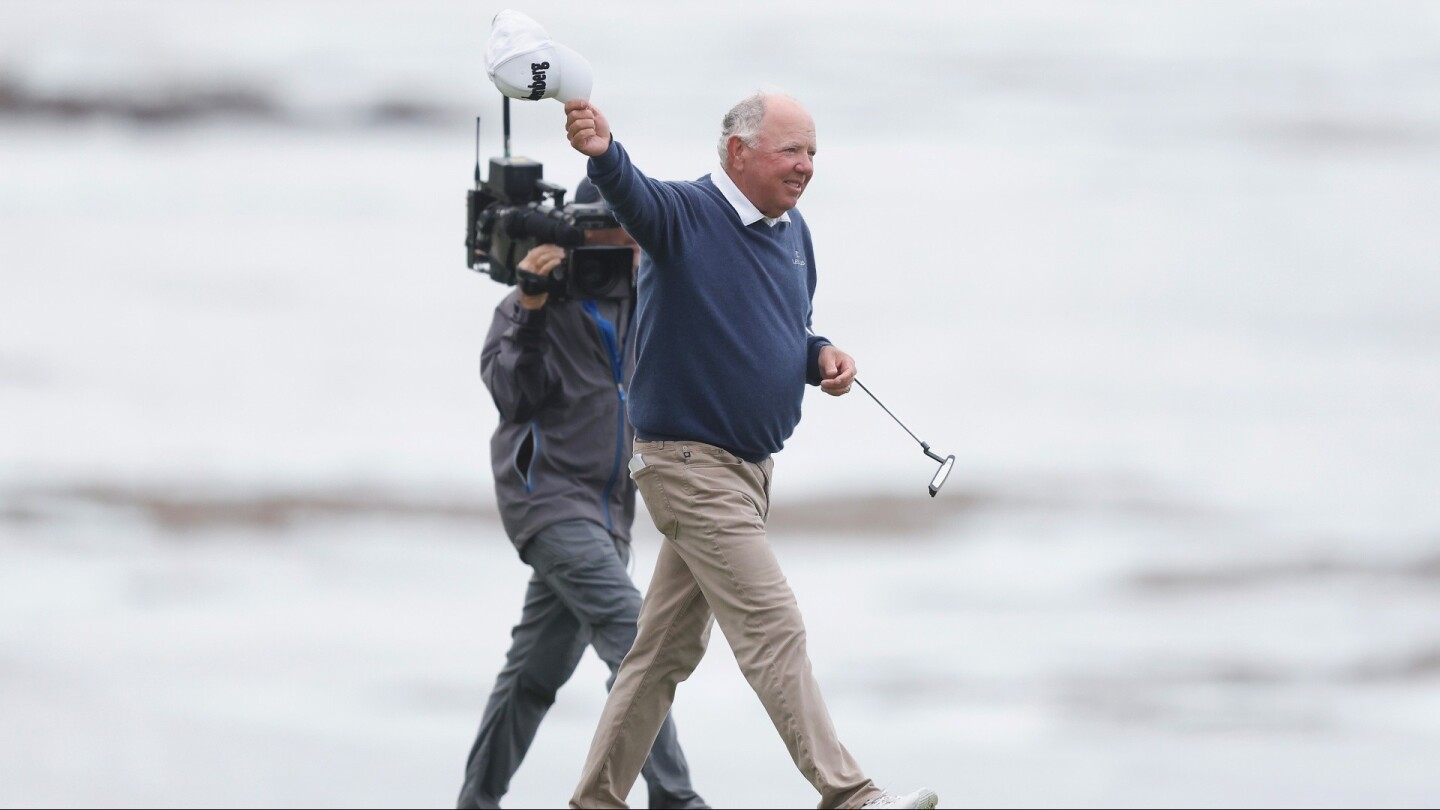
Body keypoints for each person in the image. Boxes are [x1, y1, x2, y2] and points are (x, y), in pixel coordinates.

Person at [561, 92, 940, 810]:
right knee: (774, 626)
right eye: (792, 151)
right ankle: (850, 794)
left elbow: (784, 331)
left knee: (660, 656)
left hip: (748, 475)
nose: (806, 167)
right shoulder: (685, 216)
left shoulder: (794, 234)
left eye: (813, 154)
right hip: (686, 465)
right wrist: (603, 149)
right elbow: (630, 192)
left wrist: (822, 356)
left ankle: (593, 803)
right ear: (739, 152)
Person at [457, 179, 708, 810]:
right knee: (634, 636)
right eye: (608, 241)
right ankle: (677, 800)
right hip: (546, 503)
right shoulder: (530, 305)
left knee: (532, 678)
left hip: (610, 514)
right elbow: (513, 394)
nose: (621, 255)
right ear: (573, 239)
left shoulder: (644, 298)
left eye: (632, 240)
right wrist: (534, 308)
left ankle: (474, 801)